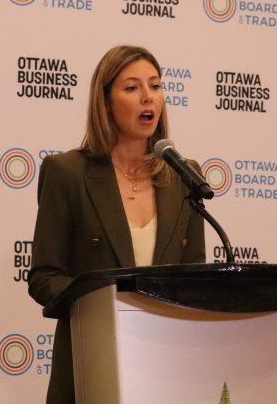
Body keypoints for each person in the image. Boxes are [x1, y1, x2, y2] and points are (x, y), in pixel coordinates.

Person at [27, 45, 205, 404]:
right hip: (92, 360)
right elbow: (45, 277)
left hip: (166, 363)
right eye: (132, 87)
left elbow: (195, 273)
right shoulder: (67, 173)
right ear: (105, 101)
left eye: (155, 86)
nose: (147, 98)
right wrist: (106, 305)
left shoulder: (186, 175)